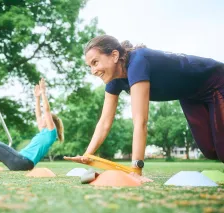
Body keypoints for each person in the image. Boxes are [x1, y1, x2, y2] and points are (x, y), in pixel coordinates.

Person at [64, 35, 224, 174]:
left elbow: (140, 121)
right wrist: (87, 155)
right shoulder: (114, 80)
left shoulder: (138, 61)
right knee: (210, 151)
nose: (93, 71)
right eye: (90, 66)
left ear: (114, 55)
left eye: (95, 62)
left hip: (216, 81)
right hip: (190, 95)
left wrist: (136, 168)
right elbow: (104, 122)